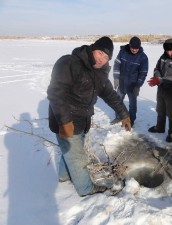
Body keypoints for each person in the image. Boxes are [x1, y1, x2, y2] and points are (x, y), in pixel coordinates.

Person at [47, 37, 132, 197]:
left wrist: (124, 114)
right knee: (78, 158)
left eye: (106, 57)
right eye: (100, 53)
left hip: (82, 121)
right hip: (66, 120)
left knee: (70, 152)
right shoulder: (69, 63)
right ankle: (85, 190)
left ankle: (64, 177)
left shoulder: (99, 73)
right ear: (92, 48)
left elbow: (110, 94)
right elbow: (55, 93)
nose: (102, 59)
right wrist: (64, 121)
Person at [147, 38, 172, 142]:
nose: (169, 53)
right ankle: (159, 128)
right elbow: (157, 68)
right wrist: (157, 77)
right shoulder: (163, 57)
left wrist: (160, 80)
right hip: (161, 89)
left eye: (171, 50)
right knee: (160, 110)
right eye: (167, 51)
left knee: (171, 113)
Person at [111, 36, 149, 127]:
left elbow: (143, 73)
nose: (135, 50)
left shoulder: (143, 58)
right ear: (129, 45)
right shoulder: (123, 52)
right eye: (133, 48)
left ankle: (131, 120)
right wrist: (116, 78)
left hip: (133, 85)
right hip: (122, 83)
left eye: (137, 48)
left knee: (132, 105)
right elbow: (116, 65)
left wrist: (138, 86)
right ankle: (118, 117)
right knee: (118, 101)